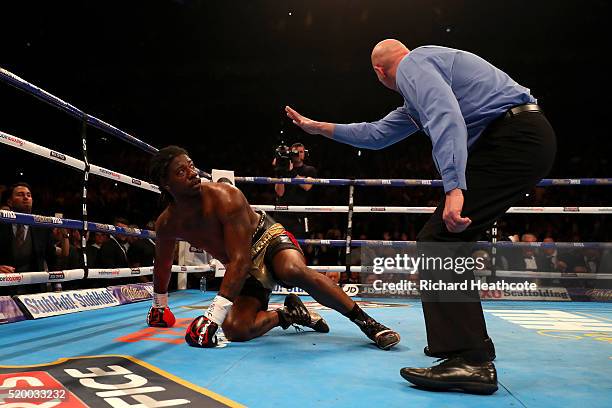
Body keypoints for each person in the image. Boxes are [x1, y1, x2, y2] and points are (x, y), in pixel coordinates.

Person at [286, 39, 556, 394]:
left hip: (513, 138)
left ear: (379, 72)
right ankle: (468, 347)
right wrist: (319, 127)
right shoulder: (418, 90)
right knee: (447, 240)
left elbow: (447, 116)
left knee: (440, 239)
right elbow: (376, 134)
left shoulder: (415, 65)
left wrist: (454, 187)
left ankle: (469, 359)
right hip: (519, 138)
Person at [147, 145, 400, 351]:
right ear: (165, 183)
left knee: (292, 270)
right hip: (241, 266)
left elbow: (240, 260)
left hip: (266, 239)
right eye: (181, 171)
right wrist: (159, 305)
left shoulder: (225, 197)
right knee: (236, 329)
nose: (192, 172)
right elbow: (163, 264)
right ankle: (288, 314)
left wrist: (212, 316)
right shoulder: (167, 224)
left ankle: (369, 324)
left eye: (191, 164)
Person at [0, 182, 66, 294]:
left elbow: (52, 259)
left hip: (33, 288)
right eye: (20, 194)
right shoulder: (1, 224)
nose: (25, 197)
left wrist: (57, 286)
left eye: (29, 195)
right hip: (3, 287)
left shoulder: (42, 226)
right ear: (9, 201)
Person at [273, 142, 317, 237]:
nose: (298, 154)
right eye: (296, 152)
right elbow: (279, 193)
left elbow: (307, 187)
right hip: (282, 213)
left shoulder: (310, 170)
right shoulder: (283, 168)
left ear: (305, 153)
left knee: (300, 245)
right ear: (290, 154)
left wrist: (291, 171)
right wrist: (279, 172)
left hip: (299, 215)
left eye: (301, 152)